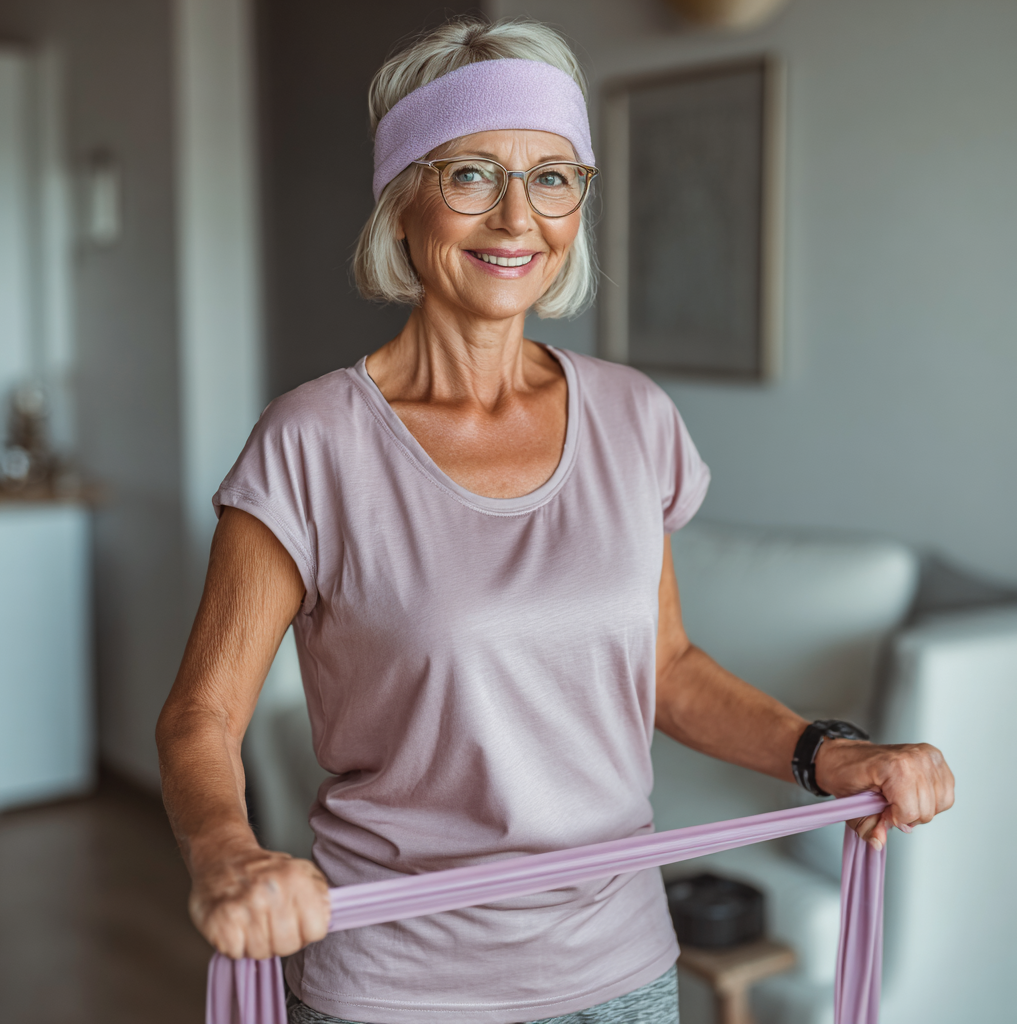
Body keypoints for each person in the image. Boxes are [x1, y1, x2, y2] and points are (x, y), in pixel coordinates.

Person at [156, 18, 954, 1024]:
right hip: (400, 984)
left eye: (552, 177)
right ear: (402, 199)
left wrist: (822, 751)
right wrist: (230, 854)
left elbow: (663, 664)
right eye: (471, 174)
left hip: (620, 969)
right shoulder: (311, 441)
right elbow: (202, 714)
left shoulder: (635, 416)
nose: (515, 217)